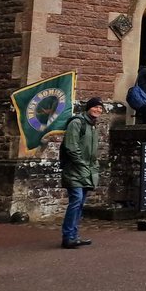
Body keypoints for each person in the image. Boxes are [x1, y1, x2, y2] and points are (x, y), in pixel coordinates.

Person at [59, 97, 104, 249]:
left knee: (80, 204)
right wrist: (82, 164)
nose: (98, 110)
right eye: (95, 107)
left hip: (86, 170)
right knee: (76, 200)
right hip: (75, 169)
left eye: (100, 108)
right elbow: (71, 147)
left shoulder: (92, 126)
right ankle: (67, 236)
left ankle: (74, 236)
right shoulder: (77, 123)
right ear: (88, 108)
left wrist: (94, 165)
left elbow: (92, 151)